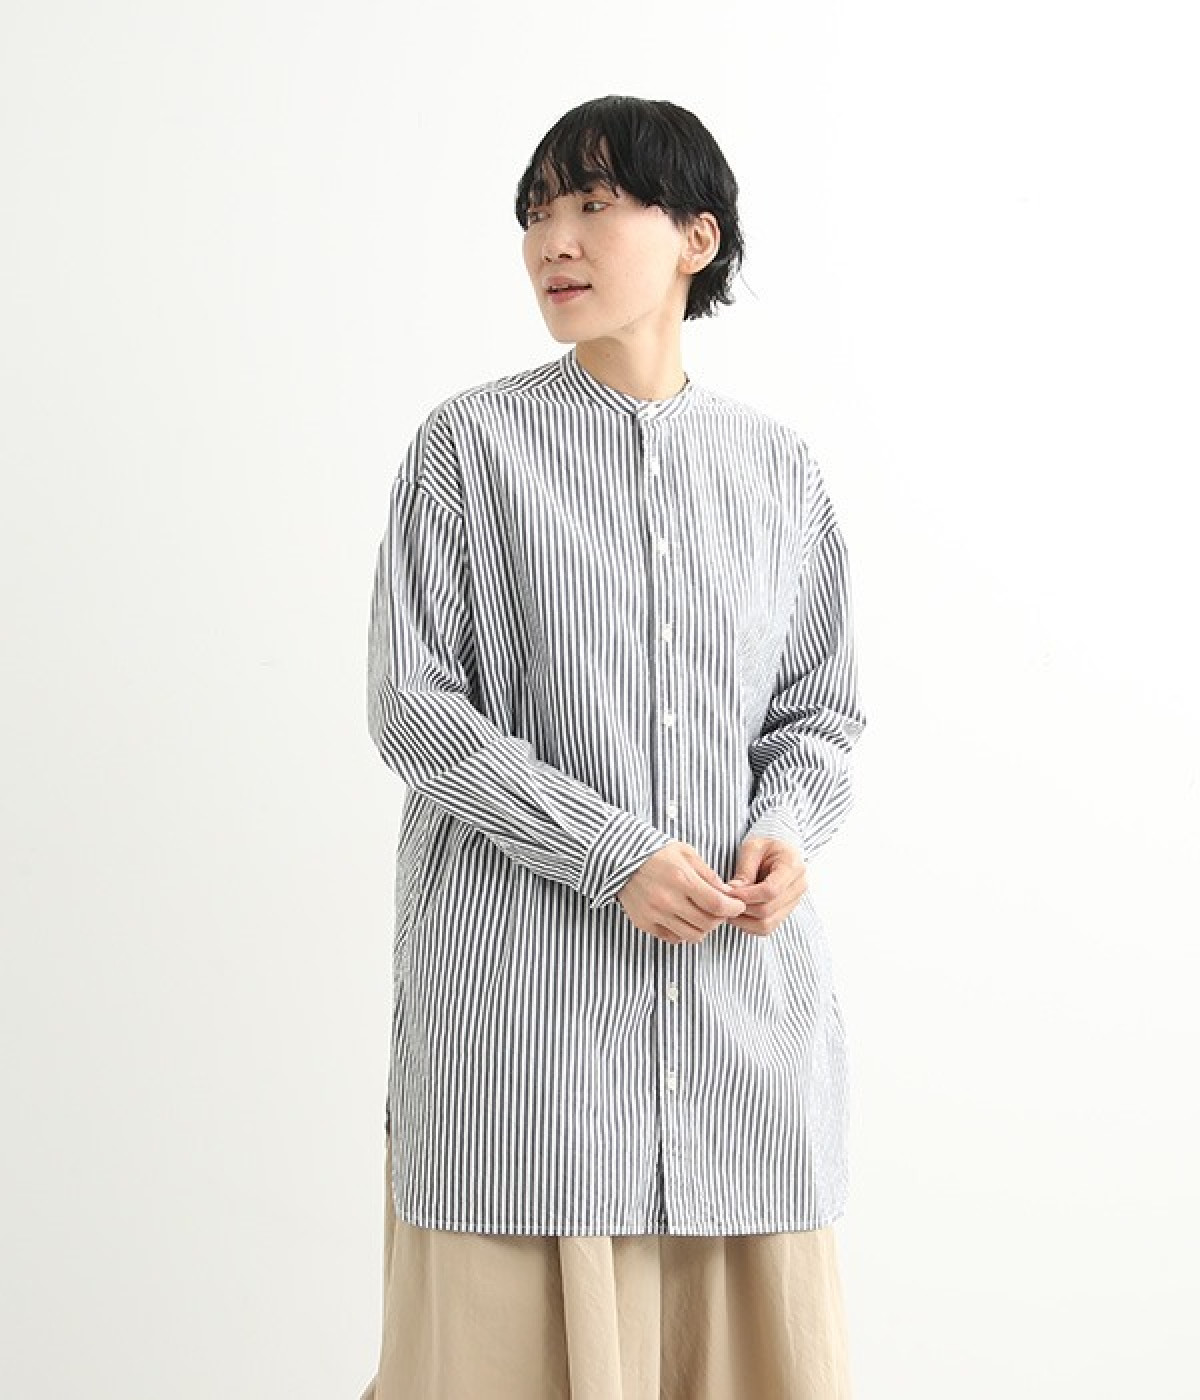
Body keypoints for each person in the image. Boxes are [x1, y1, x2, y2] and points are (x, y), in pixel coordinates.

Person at [359, 94, 867, 1400]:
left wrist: (784, 833)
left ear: (697, 237)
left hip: (740, 1042)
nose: (555, 242)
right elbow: (414, 705)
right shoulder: (468, 450)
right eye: (537, 214)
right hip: (523, 1044)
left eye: (593, 205)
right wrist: (610, 854)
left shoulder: (780, 471)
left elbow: (819, 714)